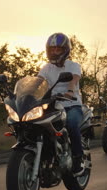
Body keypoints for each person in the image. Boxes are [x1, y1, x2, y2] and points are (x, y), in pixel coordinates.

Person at [37, 32, 85, 176]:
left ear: (65, 50)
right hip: (53, 106)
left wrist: (70, 91)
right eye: (52, 49)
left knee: (70, 124)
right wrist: (28, 94)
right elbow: (38, 82)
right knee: (36, 124)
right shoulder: (46, 68)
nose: (54, 52)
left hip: (72, 105)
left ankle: (78, 159)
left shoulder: (73, 66)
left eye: (58, 49)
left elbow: (74, 79)